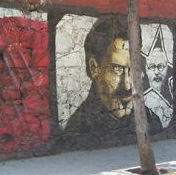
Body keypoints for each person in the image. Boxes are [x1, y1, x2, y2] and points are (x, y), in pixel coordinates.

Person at [63, 17, 161, 148]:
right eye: (117, 69)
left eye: (133, 69)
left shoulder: (152, 121)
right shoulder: (79, 130)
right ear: (94, 68)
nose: (127, 85)